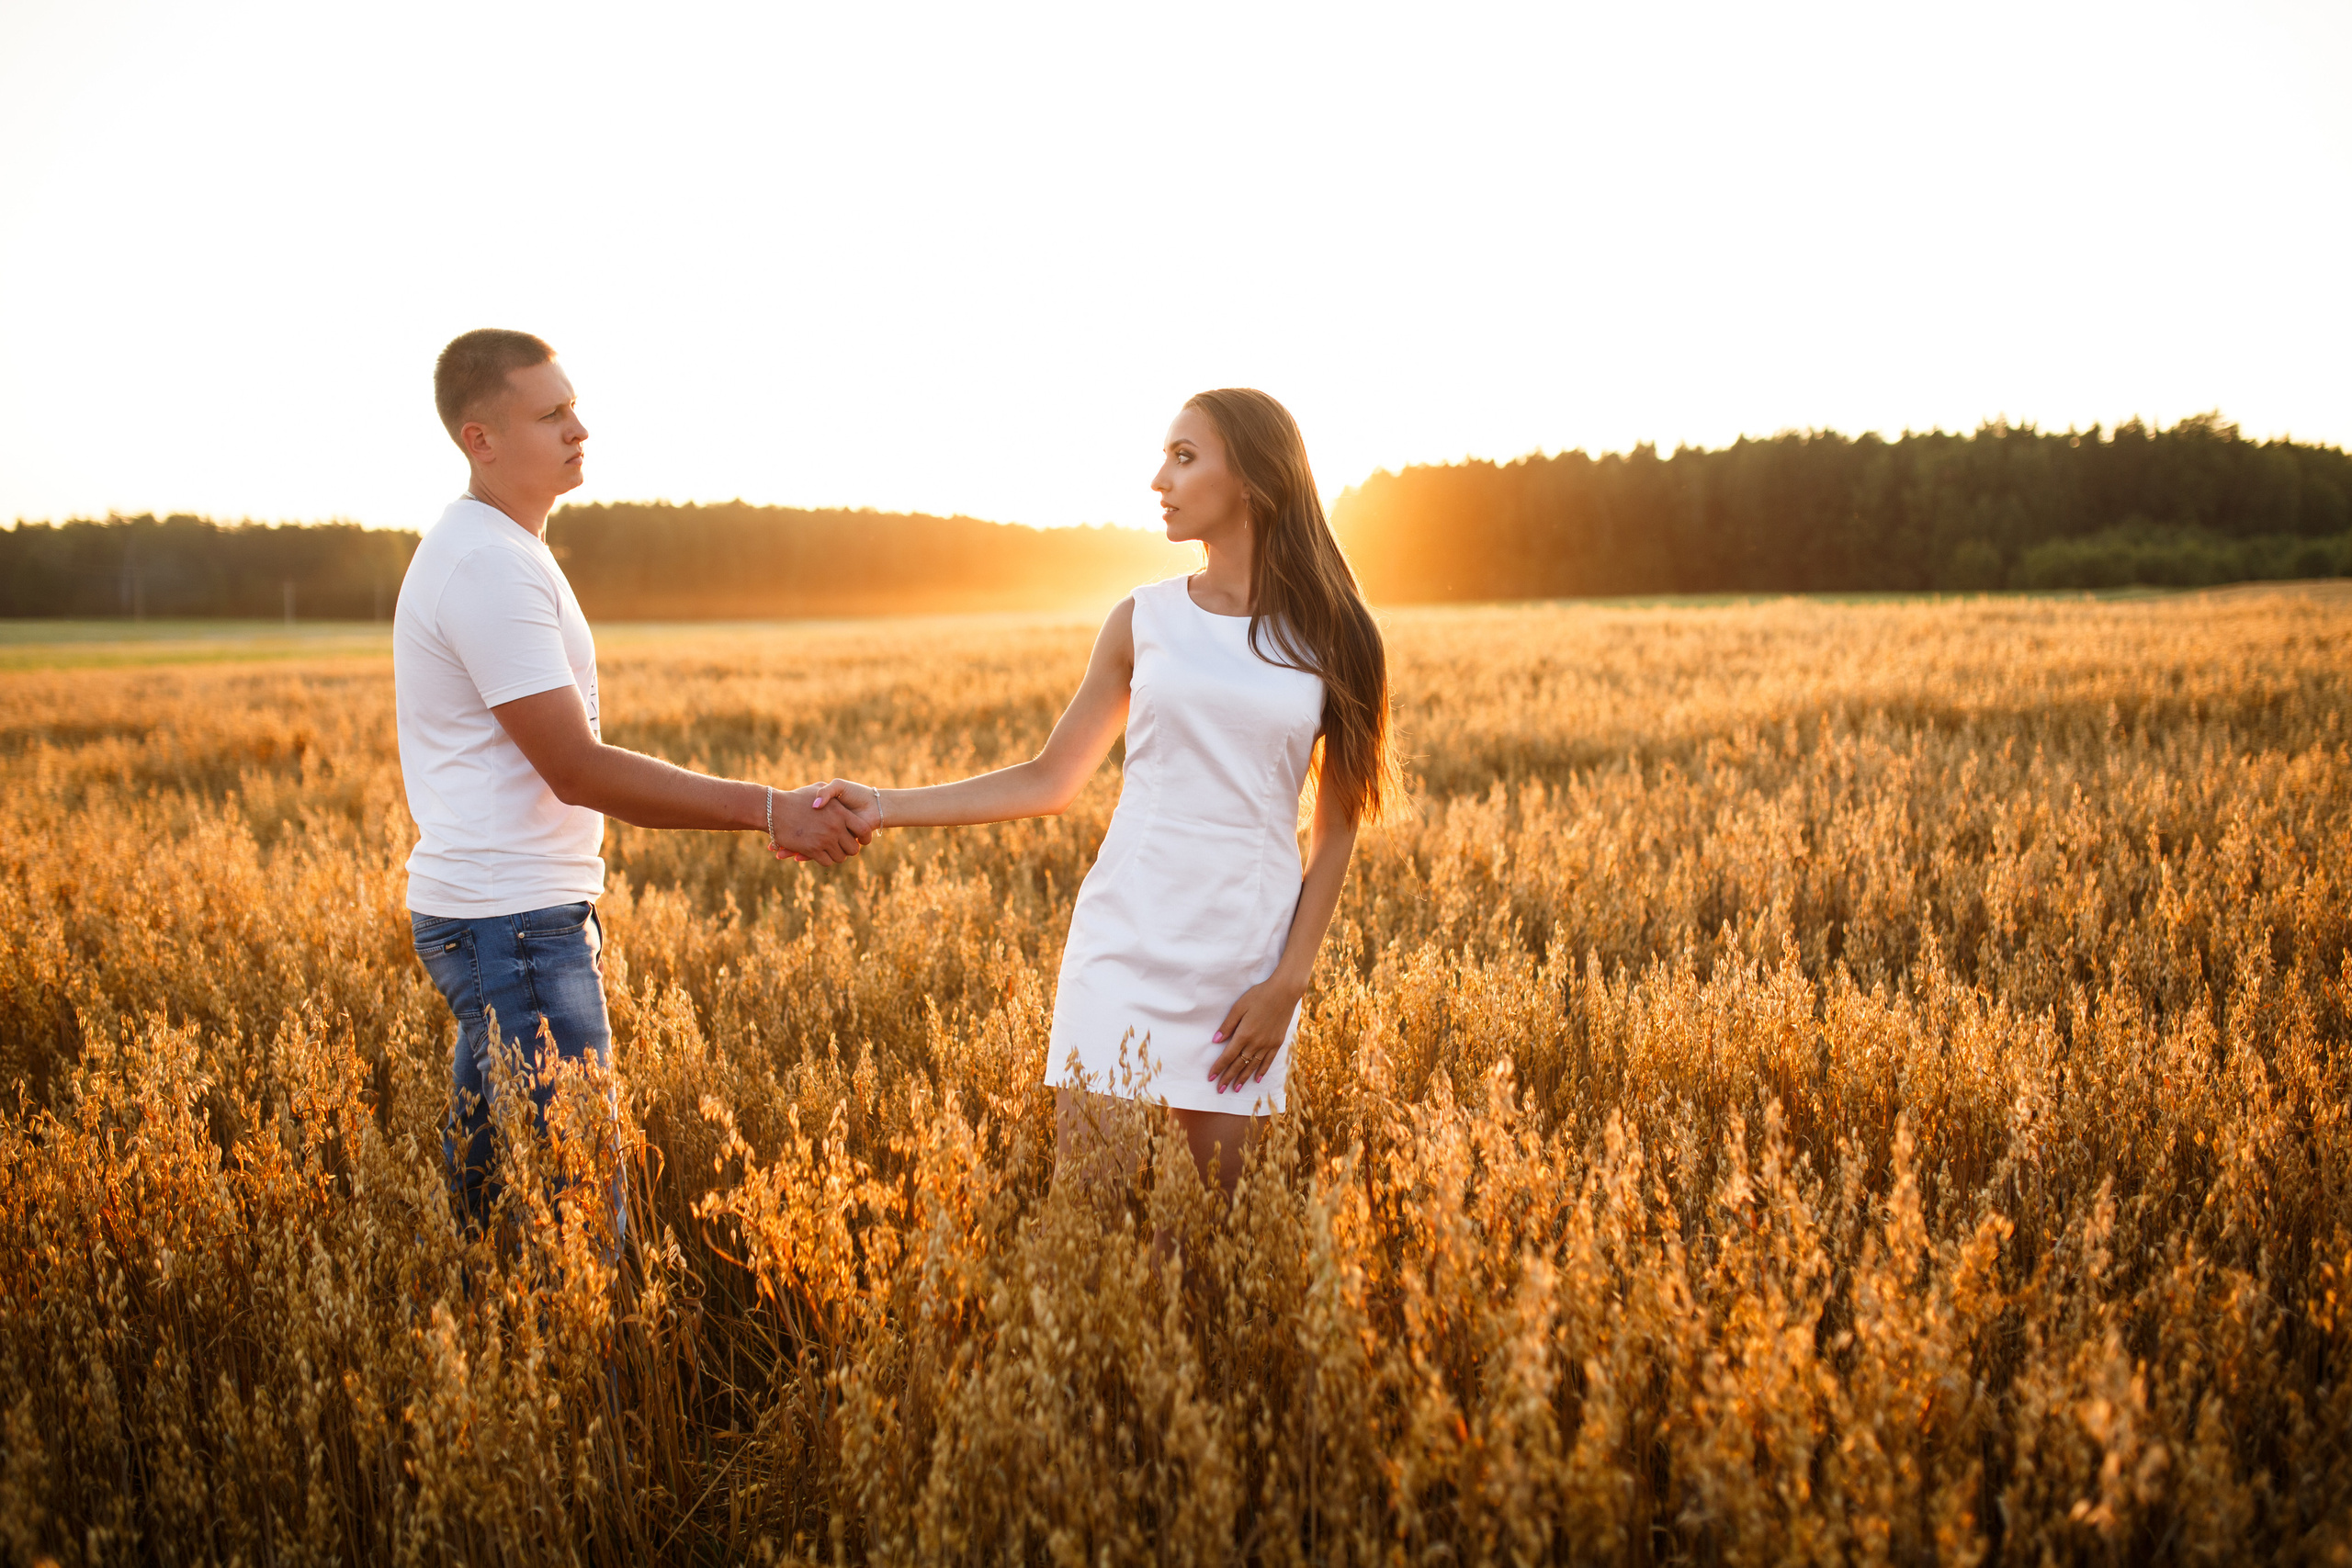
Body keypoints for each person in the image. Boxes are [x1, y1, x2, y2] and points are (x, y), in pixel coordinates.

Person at [809, 388, 1396, 1195]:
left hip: (1244, 969)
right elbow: (1052, 778)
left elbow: (1336, 833)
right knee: (1086, 1225)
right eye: (1165, 455)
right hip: (1121, 946)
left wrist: (1288, 983)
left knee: (1200, 1247)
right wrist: (884, 803)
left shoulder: (1339, 637)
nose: (1160, 477)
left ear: (1257, 479)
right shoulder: (1142, 619)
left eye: (1184, 457)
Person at [395, 328, 876, 1237]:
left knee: (494, 1219)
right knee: (589, 1232)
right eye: (551, 414)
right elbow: (575, 769)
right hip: (517, 930)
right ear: (479, 437)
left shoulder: (502, 547)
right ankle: (596, 1381)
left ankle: (503, 1371)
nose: (580, 427)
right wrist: (771, 810)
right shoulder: (487, 564)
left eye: (574, 405)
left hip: (503, 918)